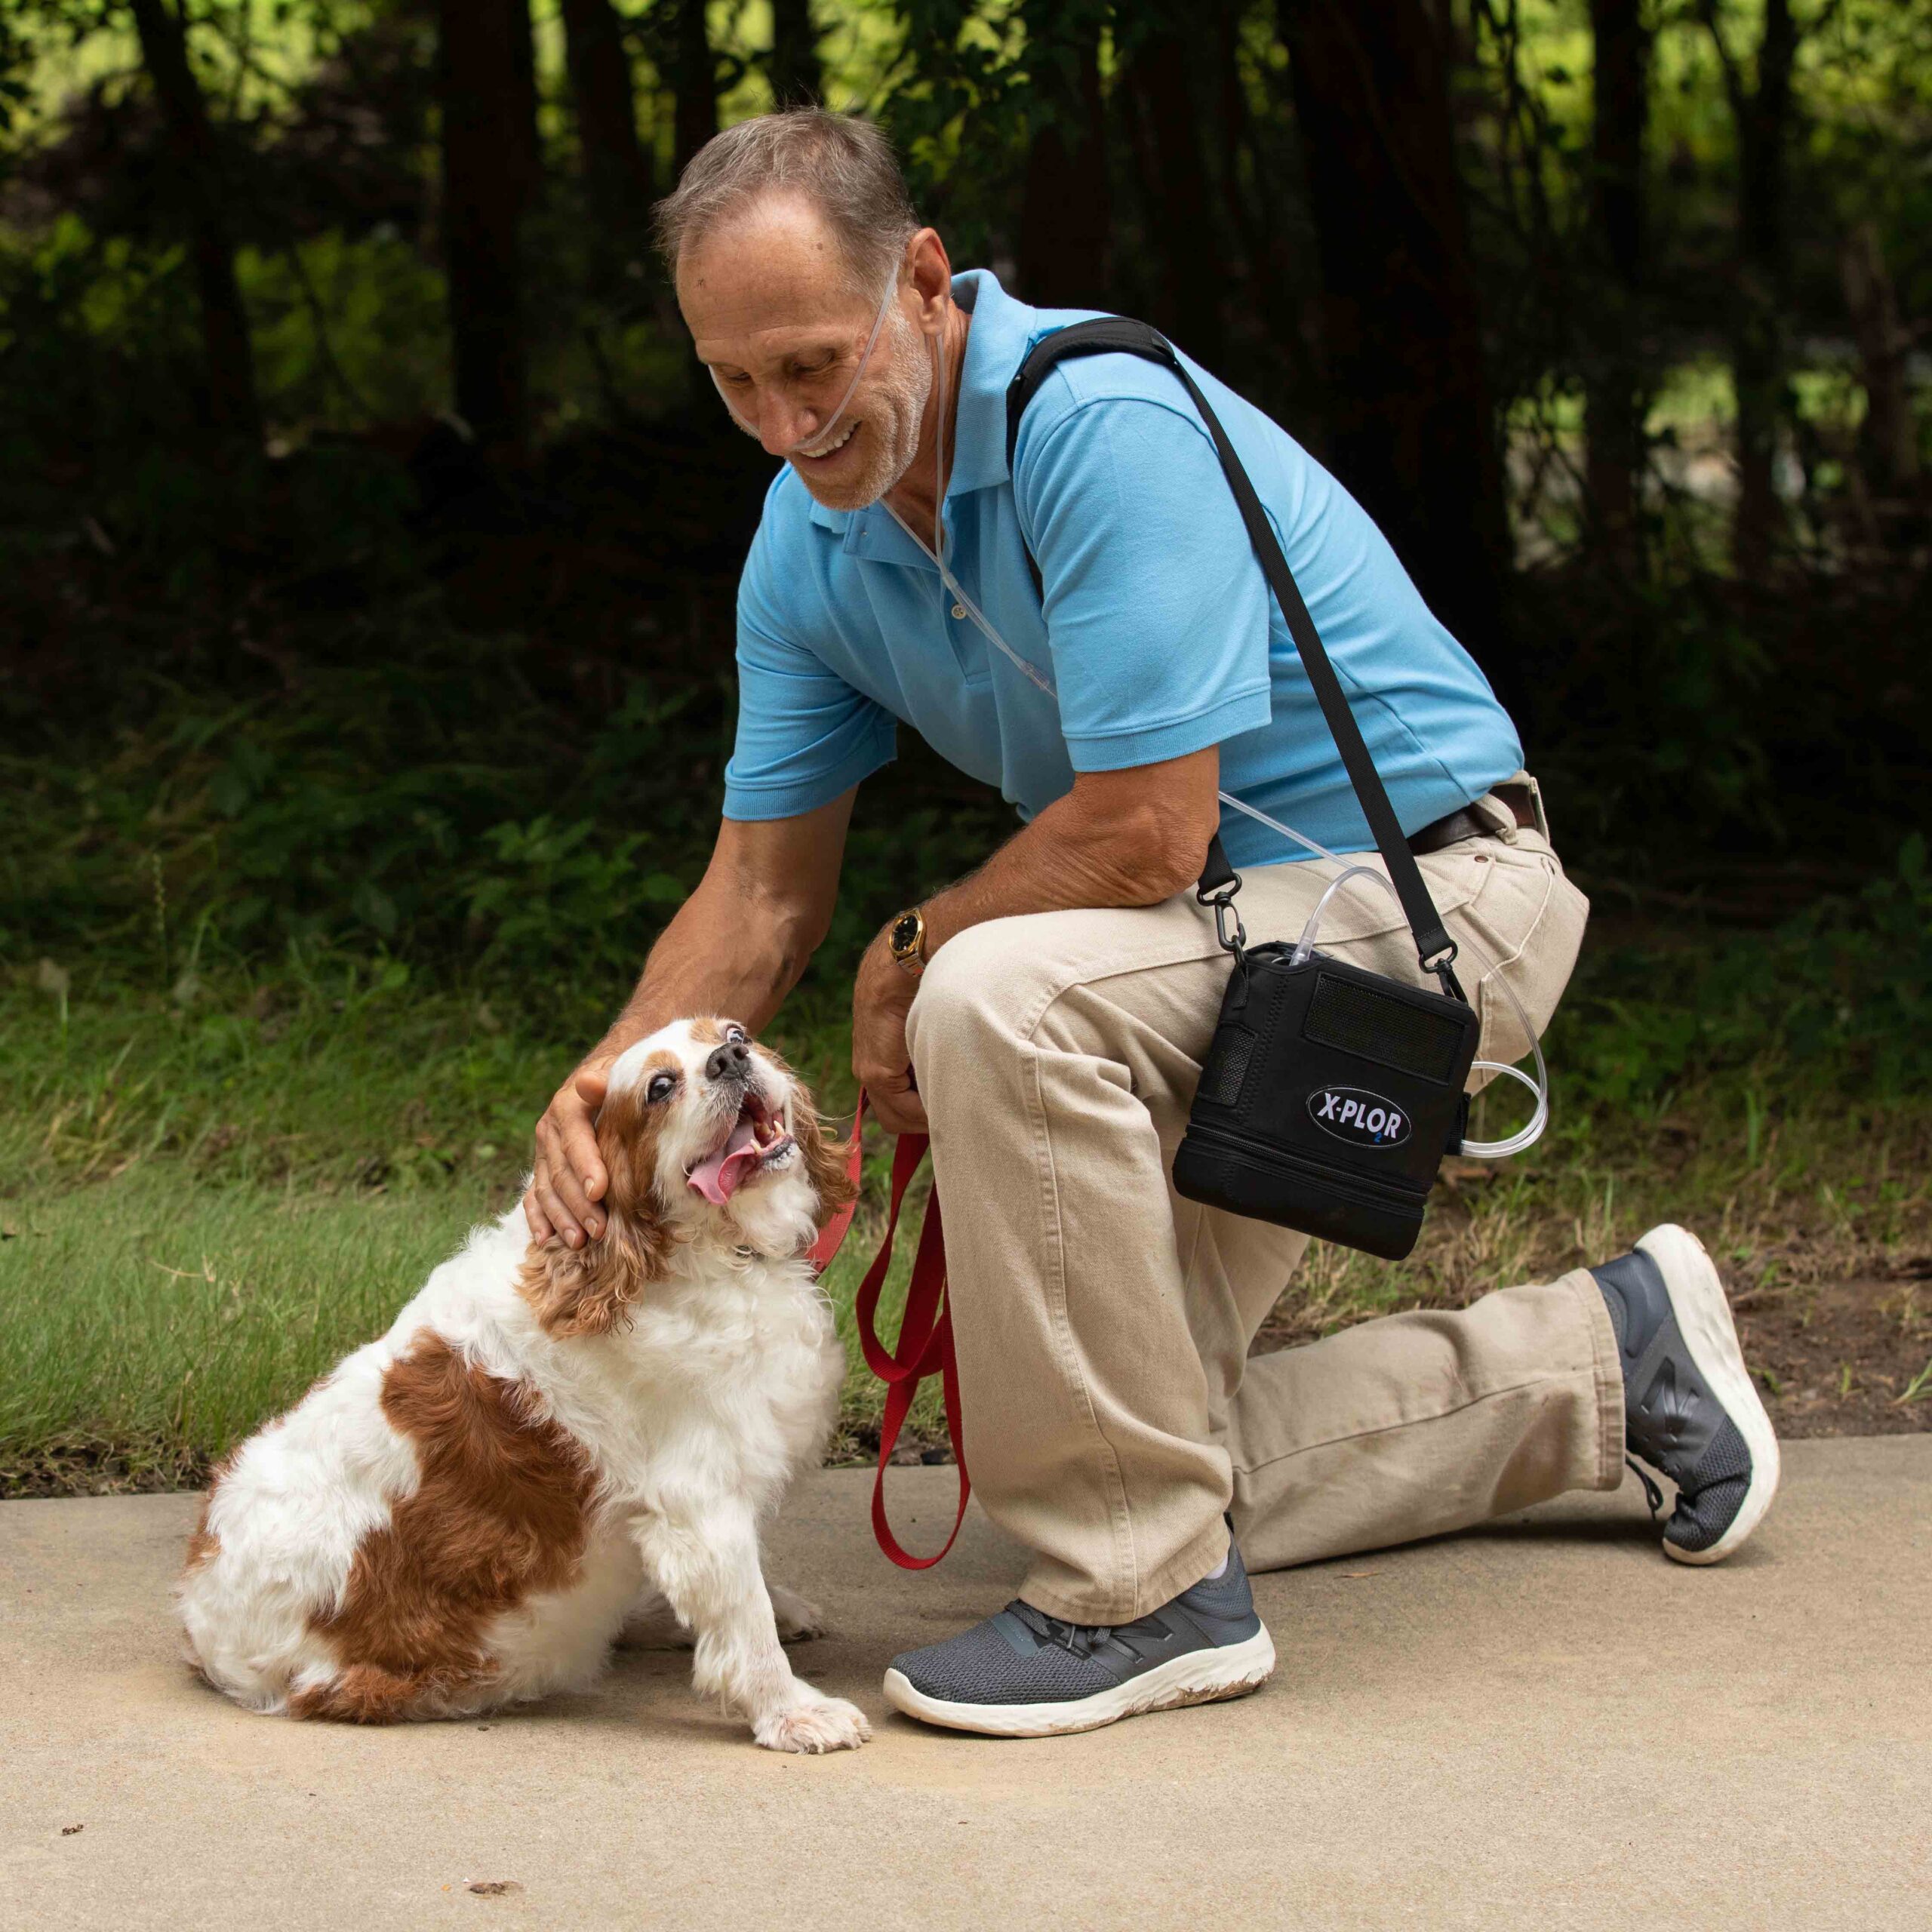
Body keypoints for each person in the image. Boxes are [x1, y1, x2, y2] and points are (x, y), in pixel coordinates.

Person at [525, 109, 1779, 1739]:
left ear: (922, 280)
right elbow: (760, 891)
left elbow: (1146, 826)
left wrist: (913, 949)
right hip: (1213, 949)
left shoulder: (1094, 422)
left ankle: (1143, 1599)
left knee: (990, 992)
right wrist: (601, 1095)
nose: (785, 422)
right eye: (735, 382)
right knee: (1121, 1438)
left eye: (814, 363)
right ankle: (1615, 1361)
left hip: (1435, 897)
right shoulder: (807, 538)